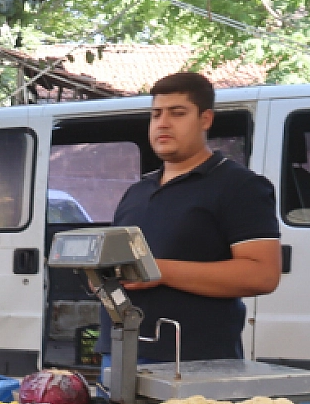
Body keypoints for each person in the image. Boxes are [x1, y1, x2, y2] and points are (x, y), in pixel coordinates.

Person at [104, 71, 283, 364]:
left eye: (177, 113)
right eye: (156, 114)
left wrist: (157, 270)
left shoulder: (240, 185)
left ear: (205, 119)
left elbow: (262, 274)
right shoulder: (136, 191)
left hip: (193, 363)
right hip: (119, 353)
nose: (163, 123)